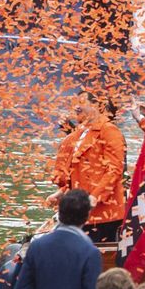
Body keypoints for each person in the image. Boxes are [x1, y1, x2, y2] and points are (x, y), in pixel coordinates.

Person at [48, 91, 126, 242]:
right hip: (80, 209)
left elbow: (115, 170)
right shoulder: (81, 132)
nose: (77, 106)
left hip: (102, 214)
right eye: (76, 102)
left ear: (97, 105)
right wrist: (62, 192)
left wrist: (94, 197)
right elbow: (78, 171)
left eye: (82, 102)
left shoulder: (109, 130)